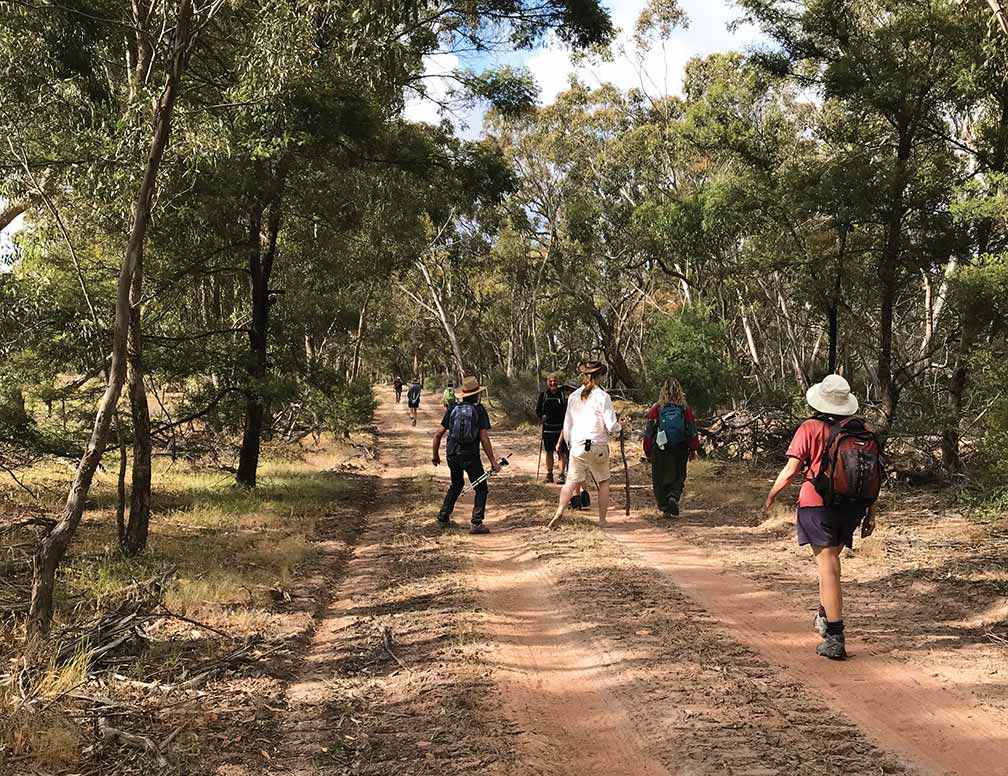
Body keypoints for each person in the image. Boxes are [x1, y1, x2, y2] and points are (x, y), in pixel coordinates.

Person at [763, 374, 878, 661]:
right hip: (852, 508)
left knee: (828, 568)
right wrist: (870, 511)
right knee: (831, 565)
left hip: (818, 505)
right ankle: (825, 616)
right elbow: (873, 475)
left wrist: (772, 495)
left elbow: (791, 470)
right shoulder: (861, 430)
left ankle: (835, 637)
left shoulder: (810, 427)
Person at [548, 361, 621, 529]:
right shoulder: (603, 397)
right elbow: (611, 426)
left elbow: (567, 425)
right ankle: (602, 520)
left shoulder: (573, 396)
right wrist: (620, 426)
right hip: (598, 445)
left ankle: (559, 511)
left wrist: (570, 444)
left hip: (578, 445)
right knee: (603, 481)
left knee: (571, 481)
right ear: (599, 376)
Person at [432, 376, 500, 534]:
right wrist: (493, 462)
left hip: (452, 453)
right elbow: (483, 437)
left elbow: (437, 435)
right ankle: (476, 523)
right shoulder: (479, 410)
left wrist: (435, 455)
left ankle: (443, 517)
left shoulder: (453, 408)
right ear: (477, 394)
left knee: (456, 484)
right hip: (470, 455)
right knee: (481, 487)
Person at [643, 377, 700, 518]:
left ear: (663, 391)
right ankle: (673, 497)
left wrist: (648, 450)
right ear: (679, 391)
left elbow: (649, 431)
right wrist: (693, 448)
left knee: (659, 477)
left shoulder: (657, 408)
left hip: (660, 448)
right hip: (680, 447)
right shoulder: (684, 408)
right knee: (679, 476)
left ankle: (664, 506)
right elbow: (692, 429)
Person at [535, 373, 568, 483]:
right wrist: (541, 417)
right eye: (551, 381)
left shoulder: (562, 395)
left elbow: (567, 412)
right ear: (547, 382)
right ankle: (549, 474)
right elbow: (538, 411)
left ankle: (561, 475)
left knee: (561, 452)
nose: (553, 383)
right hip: (547, 429)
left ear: (557, 382)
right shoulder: (543, 395)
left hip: (560, 430)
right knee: (549, 452)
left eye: (554, 381)